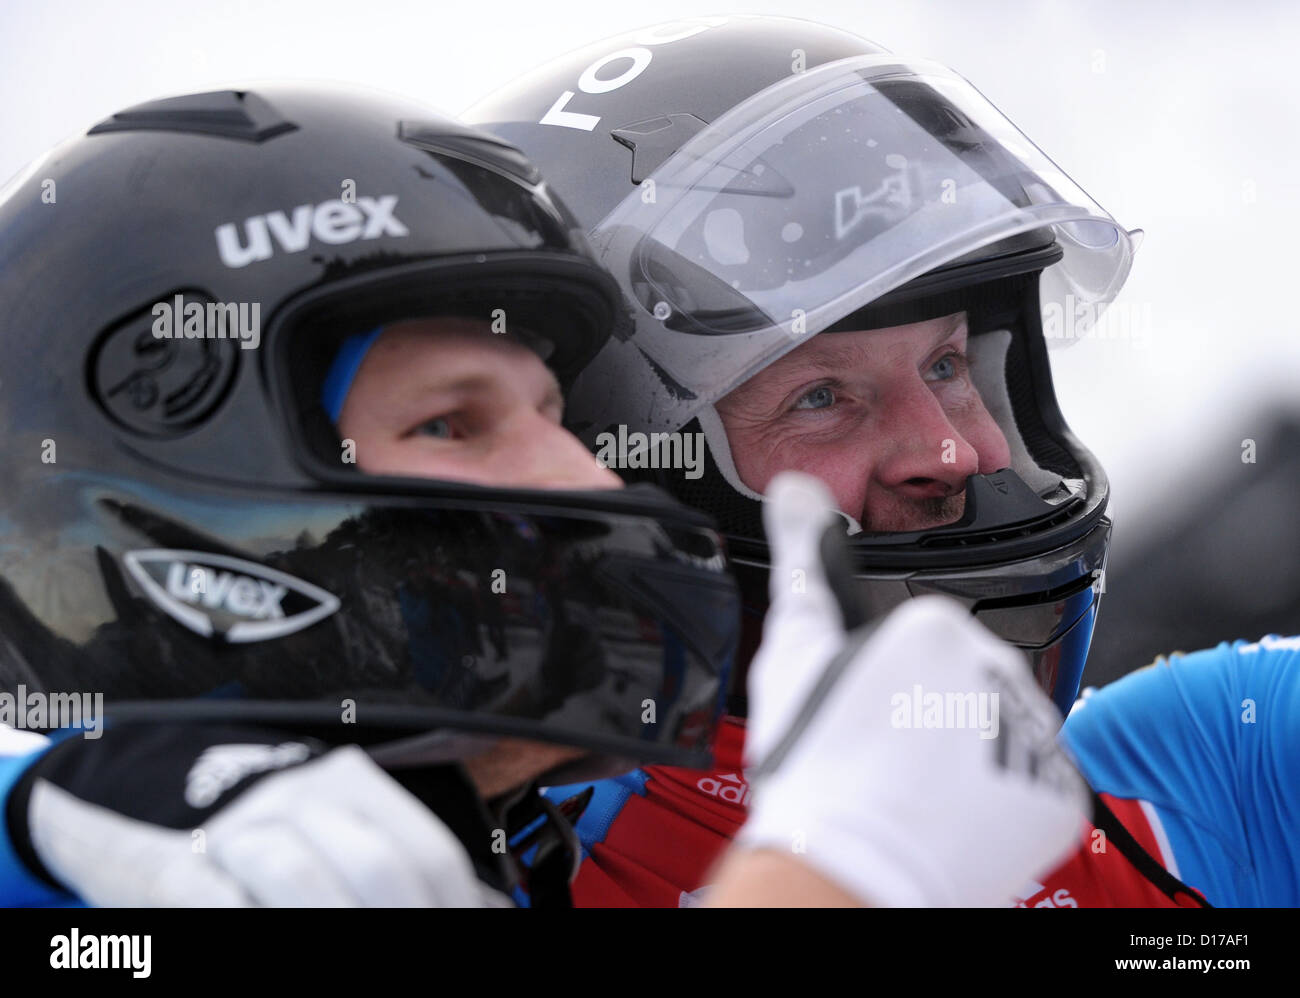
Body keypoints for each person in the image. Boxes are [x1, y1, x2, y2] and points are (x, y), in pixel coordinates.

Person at [0, 82, 1085, 907]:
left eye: (555, 419)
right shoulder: (124, 861)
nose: (586, 478)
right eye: (452, 423)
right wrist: (848, 866)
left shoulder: (496, 857)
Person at [465, 14, 1300, 907]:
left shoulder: (1214, 769)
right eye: (821, 398)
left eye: (947, 364)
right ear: (633, 474)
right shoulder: (493, 876)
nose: (959, 450)